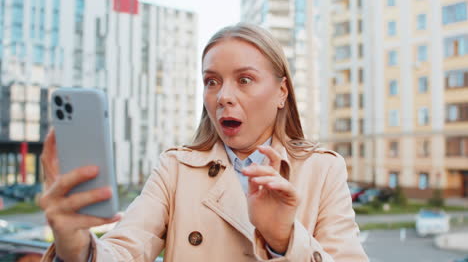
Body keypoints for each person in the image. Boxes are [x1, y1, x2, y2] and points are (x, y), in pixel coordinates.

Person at [39, 23, 368, 262]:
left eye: (245, 80)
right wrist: (76, 246)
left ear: (281, 92)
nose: (223, 96)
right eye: (212, 81)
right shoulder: (176, 168)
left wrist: (284, 239)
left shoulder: (322, 169)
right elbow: (126, 250)